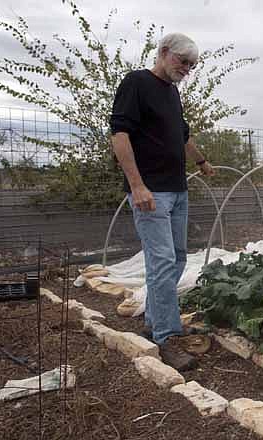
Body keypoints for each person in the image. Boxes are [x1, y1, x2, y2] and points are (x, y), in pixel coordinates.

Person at [110, 33, 214, 371]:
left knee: (178, 257)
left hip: (177, 189)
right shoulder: (136, 83)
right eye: (183, 62)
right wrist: (137, 186)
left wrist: (201, 161)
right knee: (161, 261)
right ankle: (167, 337)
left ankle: (156, 321)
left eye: (191, 66)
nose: (187, 69)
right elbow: (120, 135)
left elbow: (181, 135)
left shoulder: (172, 94)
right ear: (164, 52)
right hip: (150, 192)